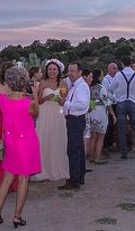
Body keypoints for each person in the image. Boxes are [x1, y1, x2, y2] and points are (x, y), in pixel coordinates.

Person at [0, 66, 40, 229]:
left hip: (10, 141)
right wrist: (35, 93)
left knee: (7, 177)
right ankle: (17, 216)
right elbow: (36, 115)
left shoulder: (3, 100)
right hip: (25, 142)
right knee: (23, 178)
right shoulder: (29, 103)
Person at [32, 59, 69, 182]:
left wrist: (60, 100)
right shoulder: (42, 83)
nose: (52, 71)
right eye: (50, 69)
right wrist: (46, 97)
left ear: (58, 71)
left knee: (58, 140)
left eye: (54, 69)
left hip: (58, 114)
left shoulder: (63, 83)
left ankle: (58, 169)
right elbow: (38, 100)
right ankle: (44, 171)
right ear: (47, 71)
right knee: (44, 139)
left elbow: (65, 100)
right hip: (45, 114)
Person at [56, 62, 90, 190]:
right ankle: (79, 176)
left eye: (73, 71)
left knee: (73, 150)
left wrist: (65, 104)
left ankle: (75, 179)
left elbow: (82, 105)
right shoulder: (77, 85)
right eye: (69, 71)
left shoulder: (81, 86)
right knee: (78, 149)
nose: (70, 73)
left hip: (76, 119)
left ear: (80, 72)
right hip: (75, 119)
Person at [0, 62, 18, 195]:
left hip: (12, 122)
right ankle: (1, 182)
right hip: (1, 122)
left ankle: (11, 183)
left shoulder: (17, 87)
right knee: (0, 151)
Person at [109, 56, 135, 160]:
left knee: (121, 128)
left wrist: (117, 96)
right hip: (133, 102)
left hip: (121, 102)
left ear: (122, 64)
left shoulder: (119, 75)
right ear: (130, 63)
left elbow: (111, 88)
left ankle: (124, 153)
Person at [87, 69, 113, 164]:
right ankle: (98, 158)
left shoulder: (89, 88)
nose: (102, 77)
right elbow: (106, 102)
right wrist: (113, 114)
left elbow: (91, 103)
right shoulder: (101, 88)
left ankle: (92, 157)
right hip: (101, 112)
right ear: (98, 77)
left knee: (93, 136)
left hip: (92, 112)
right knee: (101, 137)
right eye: (101, 75)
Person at [102, 62, 118, 154]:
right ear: (108, 69)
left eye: (116, 68)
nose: (115, 70)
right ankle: (107, 145)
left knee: (114, 126)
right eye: (113, 68)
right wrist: (116, 98)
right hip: (110, 104)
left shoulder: (116, 78)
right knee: (109, 125)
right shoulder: (106, 80)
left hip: (116, 104)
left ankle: (112, 143)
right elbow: (106, 93)